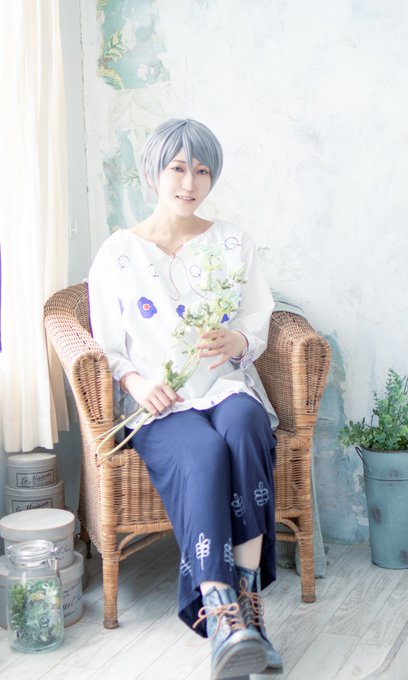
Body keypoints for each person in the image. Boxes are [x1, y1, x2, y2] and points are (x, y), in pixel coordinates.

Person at [88, 118, 283, 679]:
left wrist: (238, 341)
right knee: (203, 453)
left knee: (246, 426)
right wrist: (136, 383)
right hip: (161, 402)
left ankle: (246, 611)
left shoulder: (232, 242)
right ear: (153, 172)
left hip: (225, 386)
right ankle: (223, 618)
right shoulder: (118, 253)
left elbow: (258, 319)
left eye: (202, 170)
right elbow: (108, 348)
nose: (190, 182)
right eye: (178, 168)